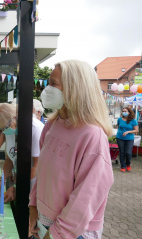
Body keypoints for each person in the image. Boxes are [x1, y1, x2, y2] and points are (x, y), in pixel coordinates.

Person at [29, 60, 114, 239]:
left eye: (54, 84)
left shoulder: (92, 135)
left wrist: (57, 233)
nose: (46, 89)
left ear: (74, 89)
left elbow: (87, 195)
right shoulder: (51, 125)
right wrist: (33, 206)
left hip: (74, 231)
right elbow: (42, 171)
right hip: (45, 221)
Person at [0, 103, 44, 203]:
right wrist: (1, 181)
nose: (4, 131)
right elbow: (10, 158)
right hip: (21, 182)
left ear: (14, 117)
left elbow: (37, 166)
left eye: (5, 127)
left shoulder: (35, 129)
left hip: (36, 187)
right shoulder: (12, 129)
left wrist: (16, 188)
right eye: (1, 128)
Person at [116, 107, 138, 172]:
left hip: (129, 139)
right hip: (120, 138)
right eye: (123, 111)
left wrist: (128, 132)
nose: (124, 112)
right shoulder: (119, 119)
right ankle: (123, 166)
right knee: (122, 152)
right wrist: (120, 133)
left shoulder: (133, 120)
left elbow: (136, 130)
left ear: (129, 112)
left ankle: (128, 164)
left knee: (128, 153)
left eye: (125, 111)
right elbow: (118, 127)